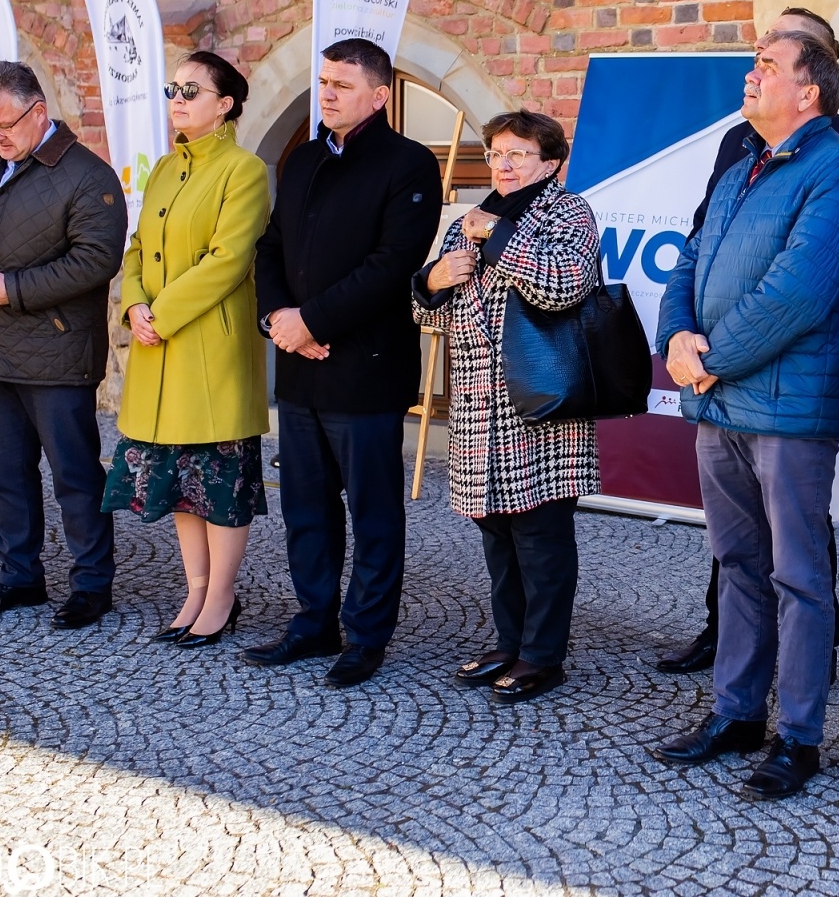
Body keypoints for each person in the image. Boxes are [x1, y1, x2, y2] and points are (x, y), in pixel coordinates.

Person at [650, 31, 839, 800]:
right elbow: (687, 259)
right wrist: (676, 339)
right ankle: (737, 713)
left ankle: (799, 737)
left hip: (787, 414)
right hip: (719, 406)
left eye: (768, 67)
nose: (752, 77)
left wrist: (708, 359)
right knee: (738, 568)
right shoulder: (743, 161)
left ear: (809, 91)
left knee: (799, 577)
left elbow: (798, 295)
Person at [245, 39, 442, 687]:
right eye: (324, 81)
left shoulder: (408, 165)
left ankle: (366, 636)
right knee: (306, 505)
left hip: (365, 368)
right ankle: (313, 620)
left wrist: (312, 322)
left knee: (373, 511)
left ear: (380, 95)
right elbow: (270, 249)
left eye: (343, 84)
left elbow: (390, 268)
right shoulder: (301, 160)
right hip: (301, 366)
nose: (327, 93)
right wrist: (279, 320)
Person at [412, 110, 600, 705]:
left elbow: (564, 285)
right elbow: (429, 316)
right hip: (474, 399)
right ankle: (509, 641)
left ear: (550, 163)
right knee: (495, 531)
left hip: (539, 401)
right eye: (496, 153)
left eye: (519, 154)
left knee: (541, 533)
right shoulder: (467, 219)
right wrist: (435, 278)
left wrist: (494, 240)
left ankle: (543, 656)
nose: (505, 164)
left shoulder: (570, 212)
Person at [0, 61, 127, 629]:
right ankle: (19, 577)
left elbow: (97, 261)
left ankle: (92, 585)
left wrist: (10, 291)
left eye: (5, 124)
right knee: (7, 472)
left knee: (73, 474)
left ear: (38, 112)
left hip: (58, 352)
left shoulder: (88, 175)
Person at [102, 52, 270, 649]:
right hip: (157, 346)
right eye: (174, 87)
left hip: (208, 352)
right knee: (177, 481)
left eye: (192, 90)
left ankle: (222, 594)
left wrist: (163, 313)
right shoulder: (164, 169)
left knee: (219, 481)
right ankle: (195, 588)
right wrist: (135, 305)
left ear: (224, 104)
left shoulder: (244, 170)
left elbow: (228, 261)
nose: (178, 97)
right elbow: (137, 249)